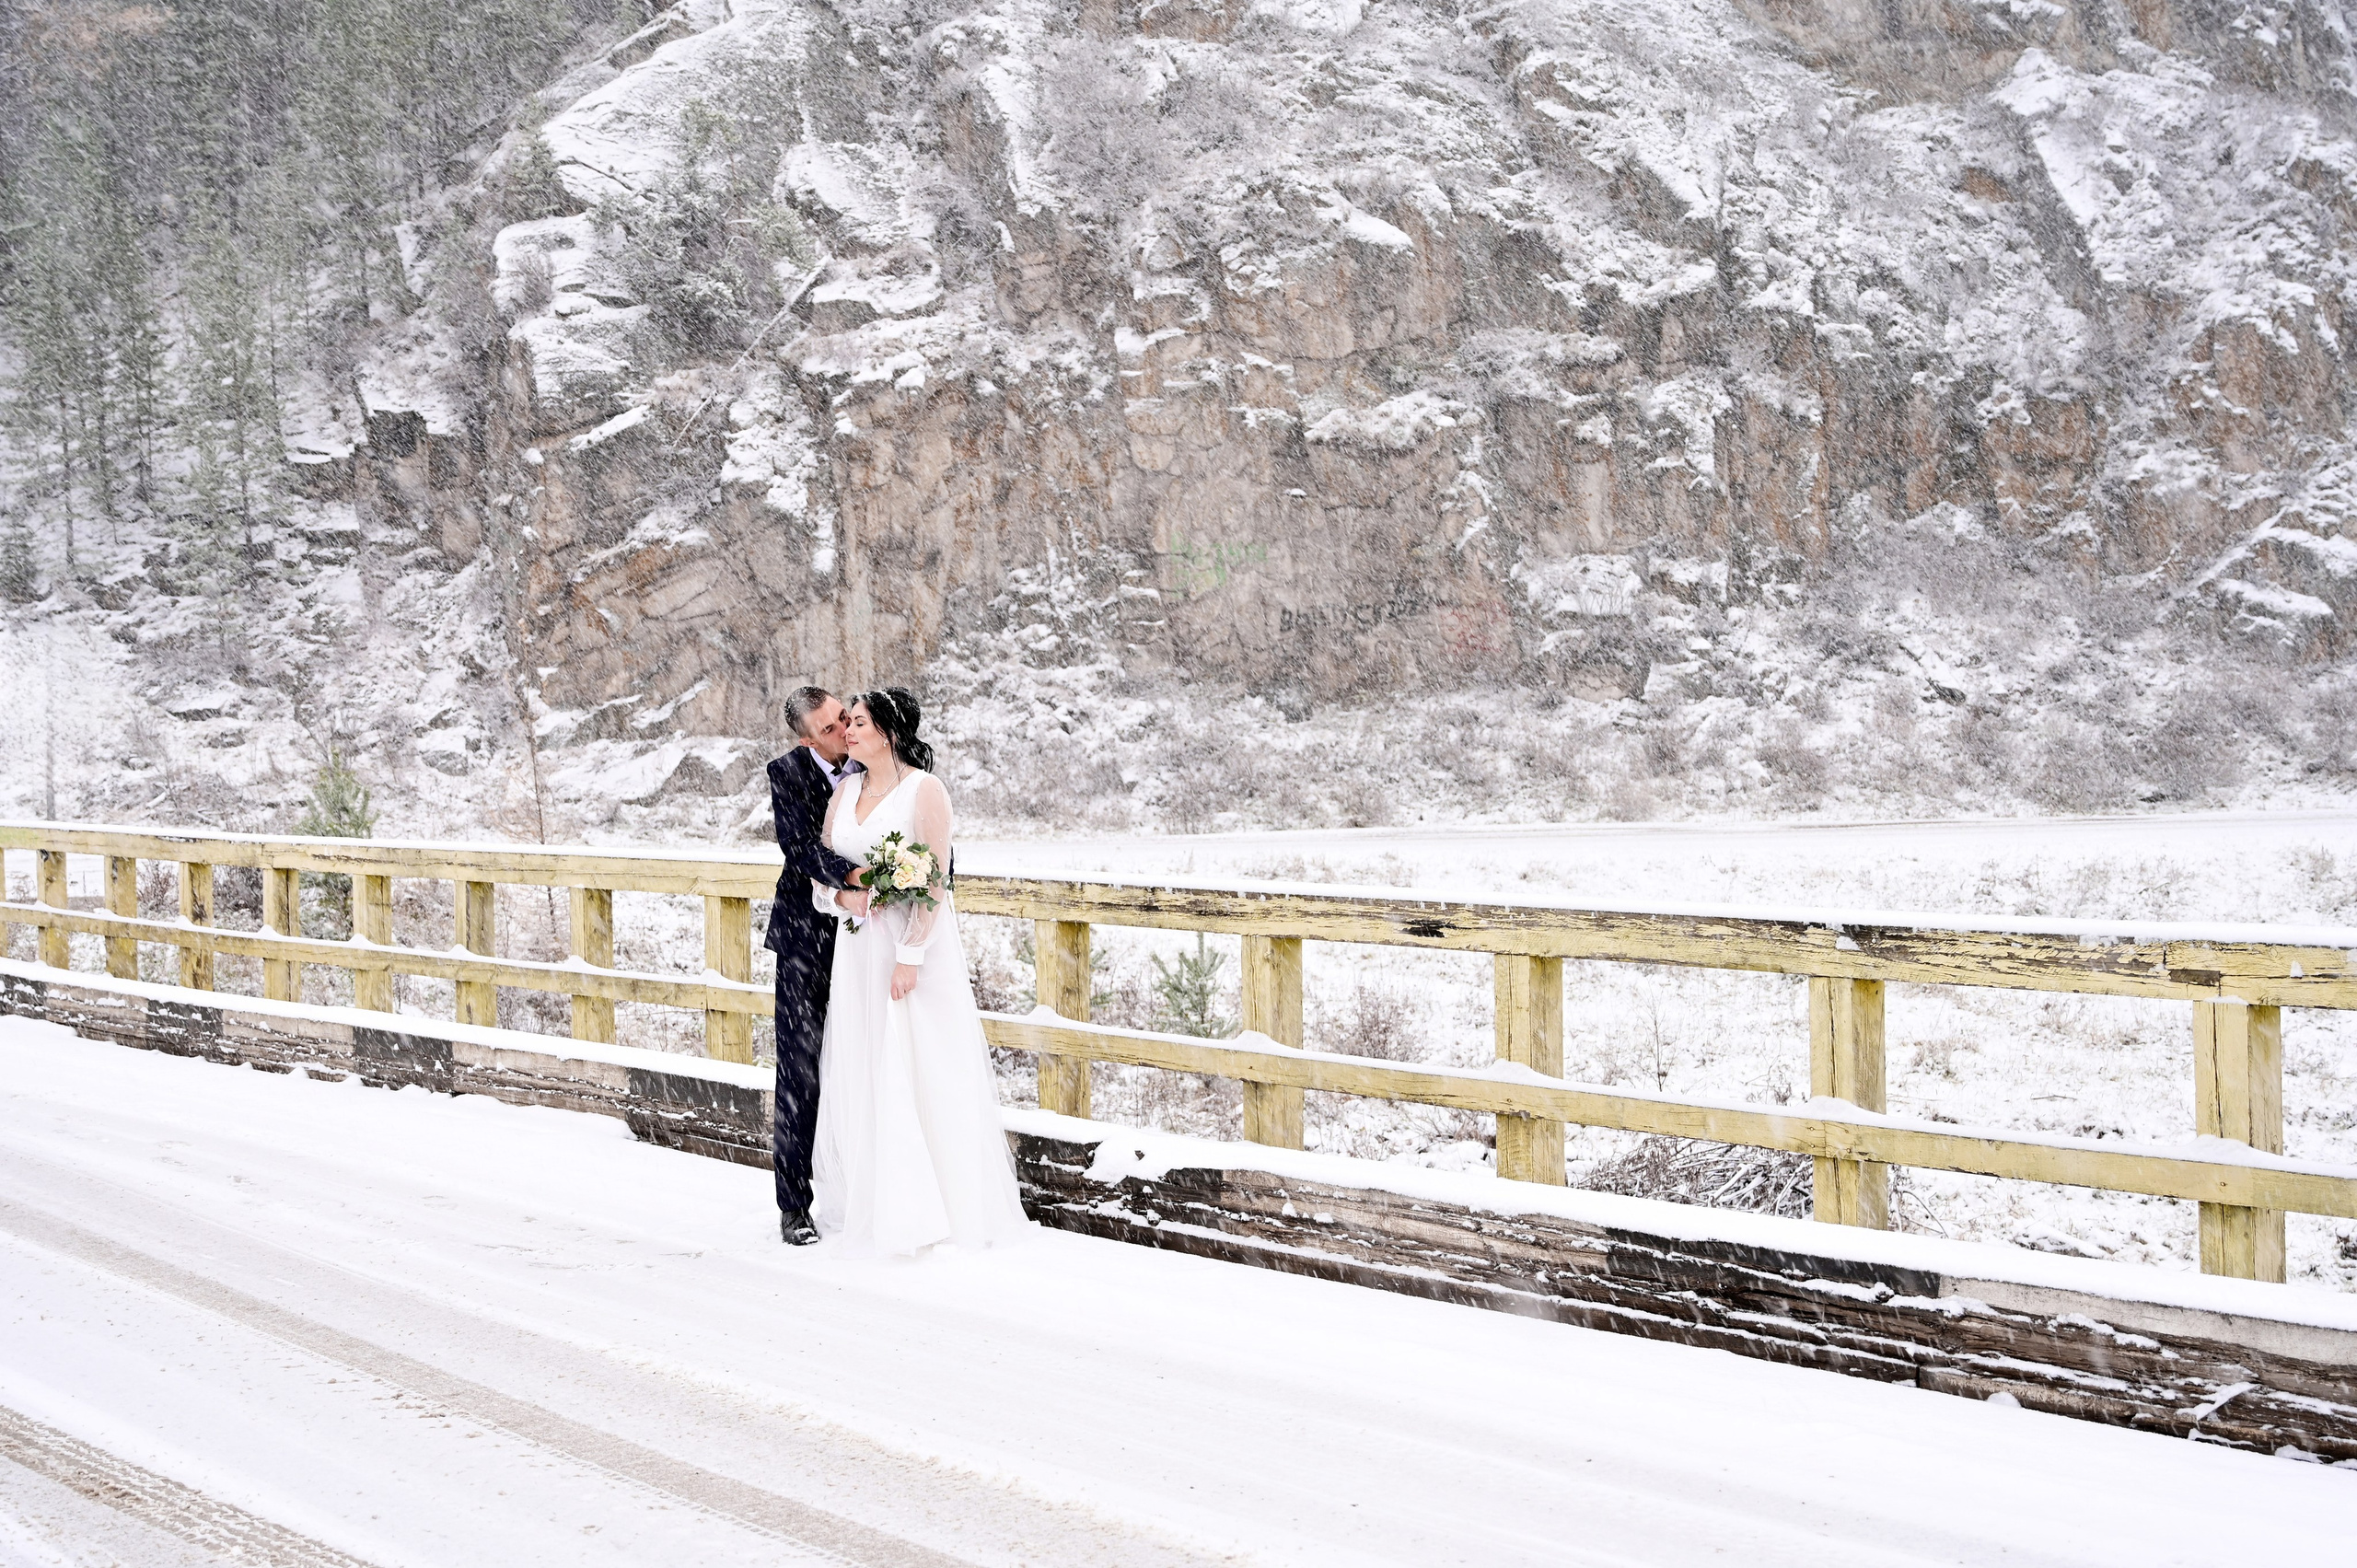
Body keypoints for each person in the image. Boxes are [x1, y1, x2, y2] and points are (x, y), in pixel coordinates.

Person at [807, 687, 1029, 1256]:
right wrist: (846, 901)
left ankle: (940, 1206)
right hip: (857, 947)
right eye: (846, 723)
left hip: (913, 953)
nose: (847, 732)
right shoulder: (846, 790)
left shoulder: (924, 790)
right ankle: (880, 1200)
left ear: (888, 731)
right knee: (867, 1062)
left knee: (920, 1065)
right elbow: (820, 878)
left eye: (857, 723)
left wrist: (910, 956)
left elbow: (936, 882)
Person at [763, 687, 866, 1246]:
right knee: (800, 1070)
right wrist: (857, 878)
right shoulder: (786, 773)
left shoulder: (878, 759)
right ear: (806, 740)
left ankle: (870, 1193)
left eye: (845, 717)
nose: (843, 729)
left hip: (868, 939)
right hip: (806, 936)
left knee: (868, 1061)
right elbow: (799, 848)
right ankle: (793, 1205)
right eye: (829, 729)